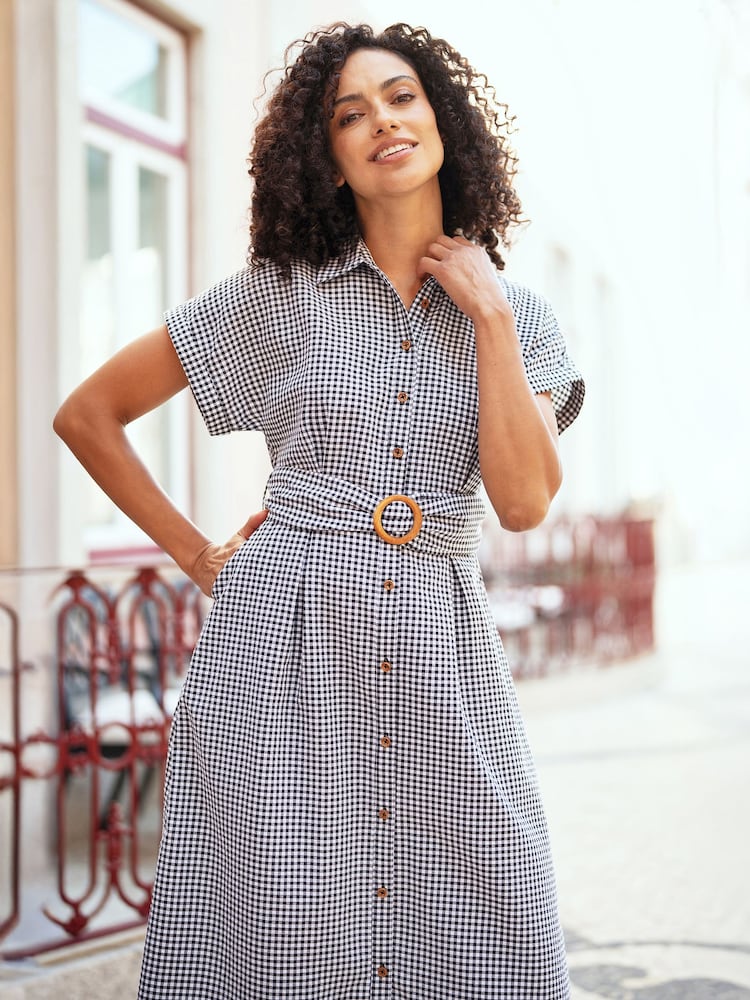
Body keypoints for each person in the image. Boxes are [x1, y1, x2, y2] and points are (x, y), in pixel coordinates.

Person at [54, 21, 584, 1000]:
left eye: (401, 96)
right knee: (284, 922)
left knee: (493, 899)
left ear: (443, 121)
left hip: (438, 642)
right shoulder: (278, 298)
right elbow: (89, 416)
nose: (382, 120)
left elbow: (520, 503)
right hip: (280, 642)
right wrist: (199, 556)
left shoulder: (521, 318)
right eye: (350, 114)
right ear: (327, 158)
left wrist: (491, 318)